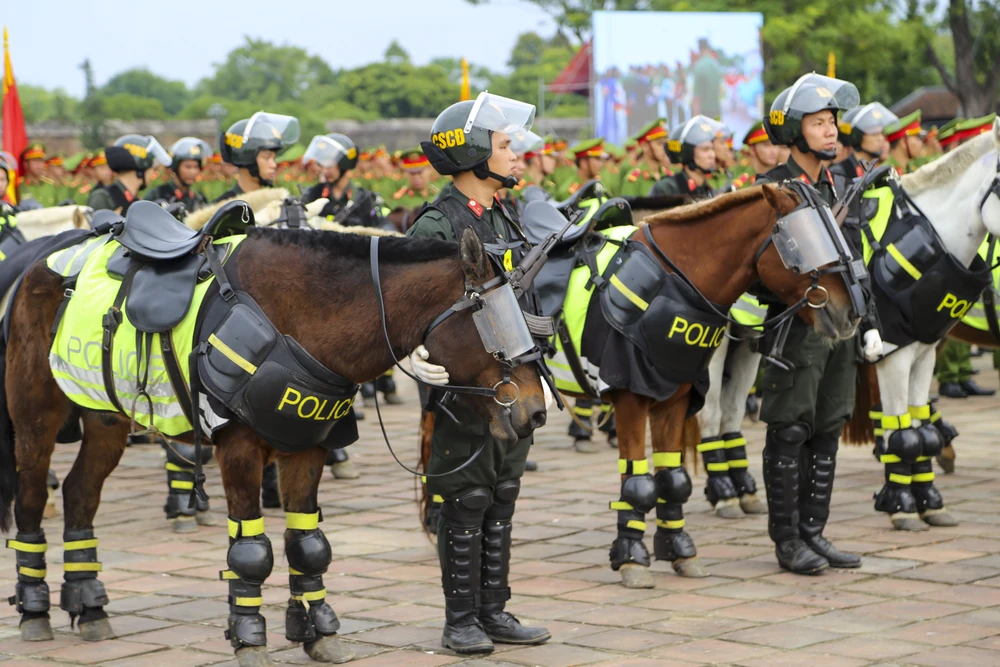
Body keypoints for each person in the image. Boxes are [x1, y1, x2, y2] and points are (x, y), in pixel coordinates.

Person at [406, 92, 550, 654]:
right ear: (471, 154)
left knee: (502, 494)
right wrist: (413, 358)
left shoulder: (503, 214)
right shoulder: (437, 225)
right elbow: (410, 309)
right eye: (506, 145)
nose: (517, 155)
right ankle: (459, 618)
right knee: (464, 500)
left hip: (510, 381)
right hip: (462, 388)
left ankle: (495, 610)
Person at [757, 72, 880, 574]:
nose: (831, 131)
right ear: (793, 131)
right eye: (819, 123)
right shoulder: (776, 191)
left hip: (842, 326)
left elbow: (857, 260)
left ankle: (815, 532)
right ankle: (787, 541)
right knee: (789, 431)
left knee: (828, 429)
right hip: (798, 327)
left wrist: (868, 318)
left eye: (833, 122)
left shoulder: (840, 184)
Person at [215, 111, 300, 203]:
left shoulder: (276, 203)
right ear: (246, 158)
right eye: (266, 158)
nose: (274, 165)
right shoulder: (224, 207)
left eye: (274, 158)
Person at [87, 135, 171, 214]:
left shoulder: (136, 200)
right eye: (152, 167)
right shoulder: (103, 197)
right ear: (142, 164)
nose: (153, 172)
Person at [649, 115, 717, 199]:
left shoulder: (708, 190)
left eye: (712, 149)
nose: (712, 155)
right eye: (705, 149)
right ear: (688, 153)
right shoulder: (667, 189)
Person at [144, 137, 211, 212]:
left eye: (196, 167)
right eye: (188, 167)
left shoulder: (199, 200)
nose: (193, 172)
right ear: (176, 167)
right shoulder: (158, 195)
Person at [619, 119, 672, 197]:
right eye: (659, 143)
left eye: (665, 143)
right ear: (644, 146)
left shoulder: (668, 176)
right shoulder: (634, 180)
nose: (663, 147)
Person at [884, 111, 924, 175]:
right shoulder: (887, 173)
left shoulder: (910, 169)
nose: (921, 144)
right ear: (903, 142)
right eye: (917, 138)